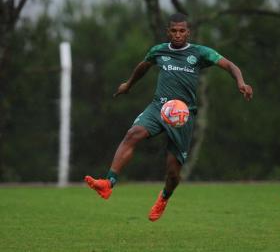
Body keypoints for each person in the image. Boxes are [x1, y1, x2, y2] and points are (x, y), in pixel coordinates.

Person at [84, 13, 253, 221]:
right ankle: (108, 183)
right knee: (133, 134)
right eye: (174, 31)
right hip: (159, 107)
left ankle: (164, 197)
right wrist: (128, 85)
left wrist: (241, 83)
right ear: (168, 32)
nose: (178, 35)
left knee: (173, 173)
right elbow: (143, 67)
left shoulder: (199, 53)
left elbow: (229, 65)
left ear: (188, 32)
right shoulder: (159, 51)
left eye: (182, 31)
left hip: (183, 115)